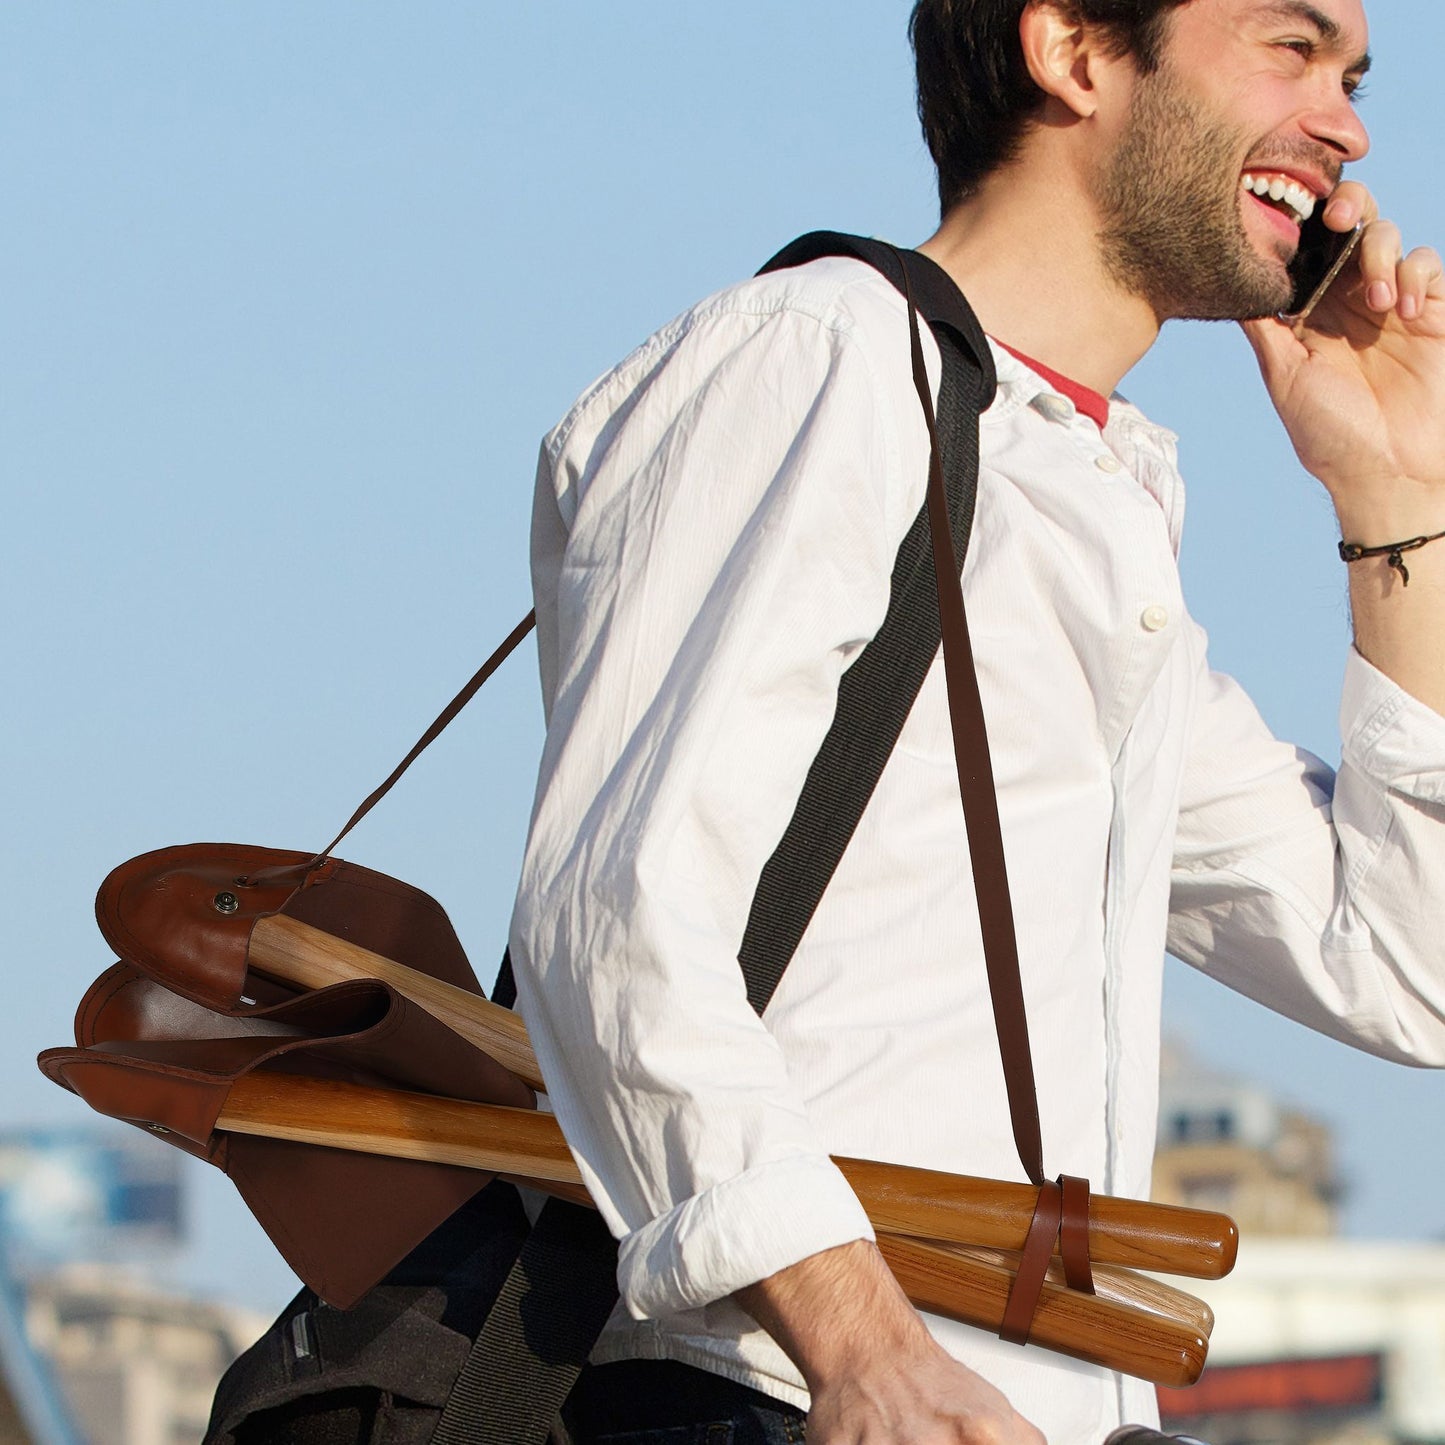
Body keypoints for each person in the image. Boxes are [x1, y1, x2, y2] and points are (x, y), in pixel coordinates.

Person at [507, 0, 1445, 1439]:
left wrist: (1393, 501)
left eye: (1351, 75)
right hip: (774, 1392)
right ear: (1071, 50)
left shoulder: (1076, 496)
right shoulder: (823, 360)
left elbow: (1404, 965)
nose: (1345, 125)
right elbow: (617, 911)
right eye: (1287, 46)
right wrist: (861, 1345)